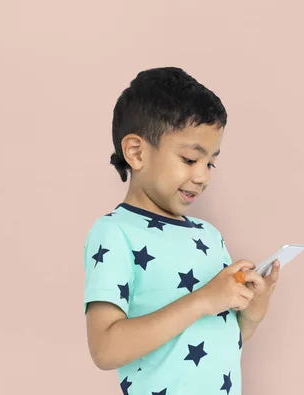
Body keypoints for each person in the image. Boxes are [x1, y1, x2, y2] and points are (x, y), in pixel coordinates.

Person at [83, 67, 280, 395]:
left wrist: (252, 315)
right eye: (190, 159)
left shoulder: (209, 235)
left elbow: (216, 343)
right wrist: (204, 299)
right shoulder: (115, 233)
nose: (203, 176)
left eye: (210, 163)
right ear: (136, 152)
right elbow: (105, 349)